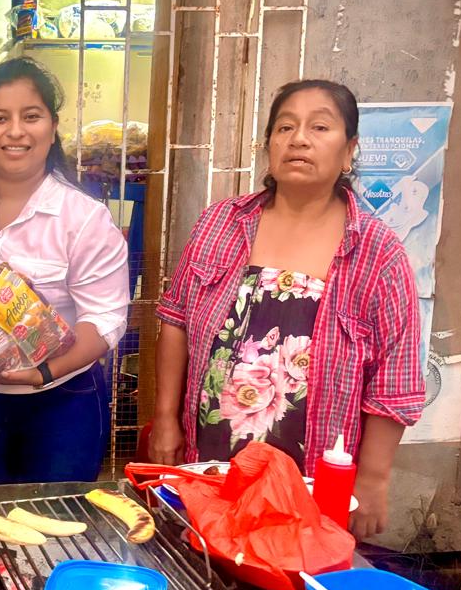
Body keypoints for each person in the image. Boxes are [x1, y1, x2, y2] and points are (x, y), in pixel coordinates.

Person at [149, 79, 424, 538]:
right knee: (204, 563)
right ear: (269, 147)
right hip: (209, 467)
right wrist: (165, 419)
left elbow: (394, 384)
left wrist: (373, 480)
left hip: (310, 484)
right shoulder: (220, 224)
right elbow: (175, 321)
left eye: (320, 127)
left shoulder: (377, 253)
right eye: (285, 127)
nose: (299, 139)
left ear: (349, 151)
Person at [0, 57, 130, 485]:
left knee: (57, 517)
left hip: (62, 398)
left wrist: (44, 371)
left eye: (31, 117)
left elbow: (105, 318)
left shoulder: (83, 217)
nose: (15, 131)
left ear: (53, 129)